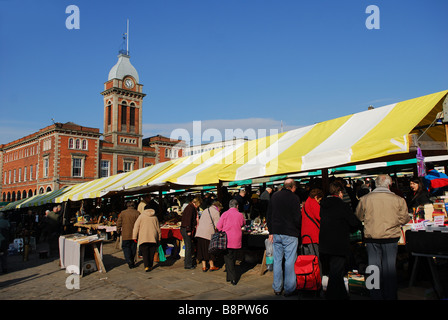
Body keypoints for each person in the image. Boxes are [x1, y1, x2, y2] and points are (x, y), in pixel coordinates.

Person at [355, 174, 410, 300]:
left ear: (376, 184)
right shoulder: (398, 199)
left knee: (373, 267)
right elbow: (404, 218)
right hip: (391, 237)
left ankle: (374, 295)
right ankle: (390, 295)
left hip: (371, 236)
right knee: (389, 269)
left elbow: (358, 216)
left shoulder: (365, 199)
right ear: (389, 185)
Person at [319, 182, 362, 300]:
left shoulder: (322, 205)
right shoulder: (342, 206)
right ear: (340, 192)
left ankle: (341, 294)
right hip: (339, 243)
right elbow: (354, 222)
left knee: (335, 270)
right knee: (336, 272)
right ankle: (331, 295)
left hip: (324, 243)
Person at [266, 178, 301, 296]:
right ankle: (289, 288)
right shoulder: (294, 198)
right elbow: (297, 217)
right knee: (290, 261)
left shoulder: (274, 196)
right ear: (293, 187)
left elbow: (269, 215)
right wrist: (298, 228)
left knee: (277, 260)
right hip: (290, 233)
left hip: (276, 232)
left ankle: (277, 287)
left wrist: (271, 231)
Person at [216, 199, 246, 285]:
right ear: (237, 206)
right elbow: (243, 223)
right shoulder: (240, 214)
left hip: (227, 239)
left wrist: (223, 230)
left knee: (228, 258)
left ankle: (232, 278)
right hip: (237, 239)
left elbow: (218, 226)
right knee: (233, 258)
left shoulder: (225, 214)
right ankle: (229, 277)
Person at [132, 205, 161, 272]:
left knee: (145, 253)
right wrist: (159, 237)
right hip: (153, 237)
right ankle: (150, 265)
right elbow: (158, 228)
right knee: (151, 252)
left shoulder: (141, 216)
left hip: (143, 238)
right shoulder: (155, 217)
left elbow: (136, 227)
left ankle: (146, 266)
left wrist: (134, 236)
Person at [195, 201, 222, 272]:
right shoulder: (216, 212)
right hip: (208, 233)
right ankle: (211, 266)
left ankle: (204, 267)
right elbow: (218, 225)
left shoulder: (205, 210)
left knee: (202, 250)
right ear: (218, 207)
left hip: (200, 232)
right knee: (210, 250)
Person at [301, 188, 324, 266]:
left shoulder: (305, 204)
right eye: (319, 200)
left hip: (305, 236)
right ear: (316, 197)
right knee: (315, 260)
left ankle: (309, 277)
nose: (319, 202)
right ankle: (316, 277)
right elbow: (320, 217)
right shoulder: (313, 203)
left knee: (308, 260)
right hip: (313, 235)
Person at [116, 201, 140, 268]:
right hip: (134, 234)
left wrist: (118, 230)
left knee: (126, 247)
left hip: (125, 234)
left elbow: (119, 223)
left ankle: (129, 260)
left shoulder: (123, 213)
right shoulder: (137, 213)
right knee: (133, 248)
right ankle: (132, 261)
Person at [180, 197, 202, 269]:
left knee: (189, 246)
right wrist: (188, 230)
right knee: (188, 247)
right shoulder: (190, 208)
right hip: (186, 229)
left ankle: (188, 262)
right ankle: (188, 264)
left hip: (185, 229)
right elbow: (188, 220)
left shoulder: (190, 207)